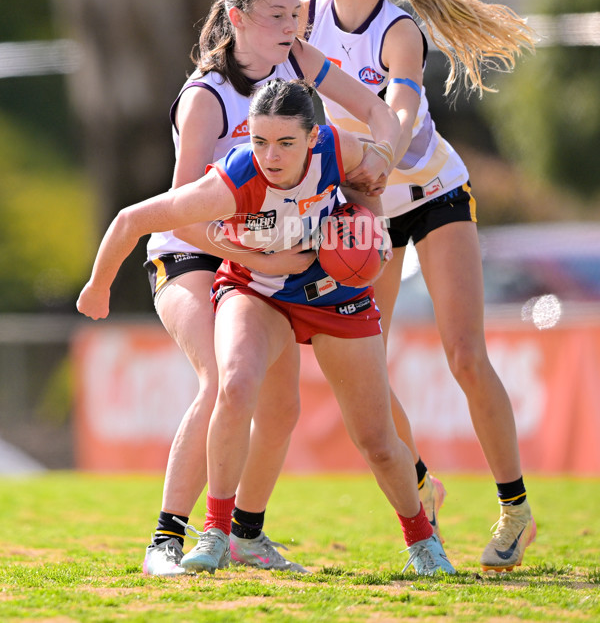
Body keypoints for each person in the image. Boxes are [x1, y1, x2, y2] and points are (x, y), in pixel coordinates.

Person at [77, 78, 456, 577]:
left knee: (378, 439)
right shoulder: (235, 177)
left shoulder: (340, 148)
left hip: (336, 295)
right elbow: (132, 219)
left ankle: (423, 542)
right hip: (257, 290)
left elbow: (371, 192)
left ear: (313, 136)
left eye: (284, 142)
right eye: (258, 141)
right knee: (232, 387)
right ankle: (216, 534)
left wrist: (368, 232)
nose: (270, 156)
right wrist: (97, 287)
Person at [112, 0, 401, 577]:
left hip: (268, 259)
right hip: (194, 252)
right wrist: (254, 254)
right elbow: (179, 217)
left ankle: (246, 535)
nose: (293, 26)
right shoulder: (207, 97)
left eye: (298, 14)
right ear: (237, 19)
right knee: (222, 381)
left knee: (282, 409)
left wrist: (378, 166)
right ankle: (167, 539)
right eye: (277, 16)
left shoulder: (298, 66)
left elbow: (379, 117)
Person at [299, 0, 537, 572]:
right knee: (360, 369)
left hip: (432, 194)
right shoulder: (309, 17)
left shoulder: (398, 28)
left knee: (464, 354)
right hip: (366, 211)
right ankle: (423, 479)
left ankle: (515, 509)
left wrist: (383, 151)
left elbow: (399, 106)